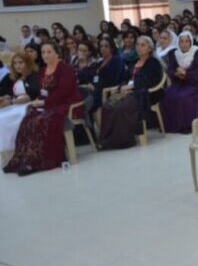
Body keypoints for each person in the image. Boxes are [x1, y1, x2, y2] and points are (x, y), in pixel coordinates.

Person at [4, 43, 81, 176]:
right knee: (27, 120)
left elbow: (64, 91)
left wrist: (44, 102)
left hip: (65, 104)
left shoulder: (65, 69)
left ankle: (38, 161)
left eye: (49, 52)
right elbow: (43, 91)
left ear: (57, 53)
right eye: (43, 52)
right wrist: (37, 100)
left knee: (41, 121)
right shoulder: (43, 71)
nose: (45, 55)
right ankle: (24, 158)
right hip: (48, 104)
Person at [99, 36, 164, 149]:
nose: (139, 47)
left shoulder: (153, 63)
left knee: (121, 107)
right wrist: (122, 87)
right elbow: (126, 78)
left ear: (149, 48)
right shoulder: (134, 62)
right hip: (130, 91)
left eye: (143, 45)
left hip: (146, 94)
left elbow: (151, 81)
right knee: (108, 105)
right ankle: (108, 139)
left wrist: (132, 86)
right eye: (137, 45)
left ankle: (123, 140)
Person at [160, 32, 198, 134]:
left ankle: (186, 126)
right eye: (181, 41)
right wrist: (176, 73)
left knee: (183, 97)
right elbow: (170, 69)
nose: (184, 44)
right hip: (178, 83)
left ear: (191, 42)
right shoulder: (174, 53)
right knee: (165, 95)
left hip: (192, 83)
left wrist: (186, 74)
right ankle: (170, 126)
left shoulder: (197, 52)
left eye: (187, 41)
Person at [0, 53, 39, 166]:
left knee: (4, 119)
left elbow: (30, 95)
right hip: (16, 104)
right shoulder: (14, 78)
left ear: (28, 63)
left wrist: (11, 101)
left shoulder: (34, 77)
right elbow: (12, 94)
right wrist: (6, 98)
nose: (18, 66)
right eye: (15, 63)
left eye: (21, 62)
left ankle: (17, 150)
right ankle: (7, 152)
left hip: (29, 105)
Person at [91, 36, 125, 113]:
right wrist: (92, 84)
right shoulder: (99, 63)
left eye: (106, 46)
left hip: (110, 90)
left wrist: (97, 85)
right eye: (101, 46)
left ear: (112, 48)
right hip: (97, 89)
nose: (103, 48)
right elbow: (94, 77)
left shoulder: (117, 60)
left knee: (92, 99)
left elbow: (114, 79)